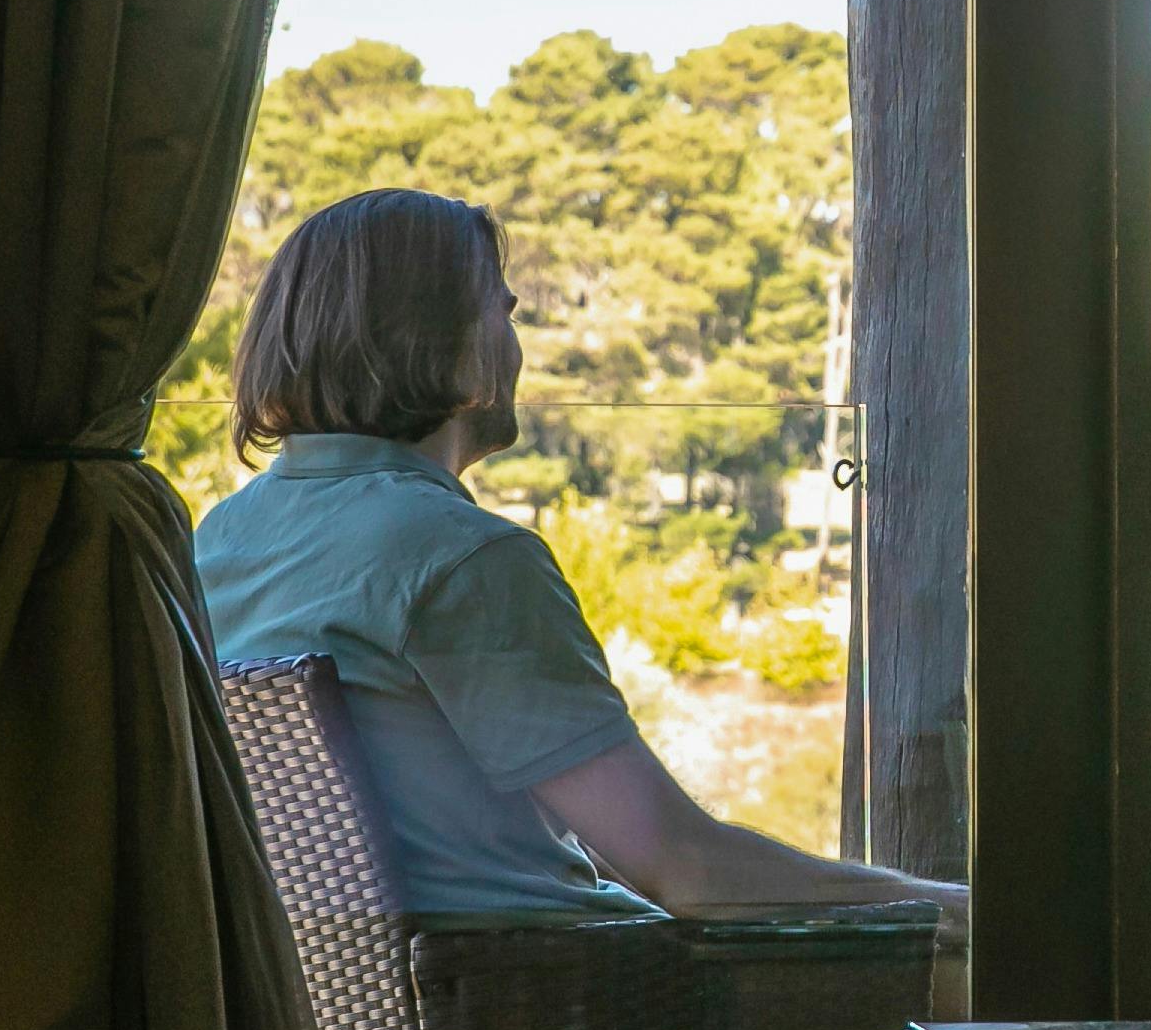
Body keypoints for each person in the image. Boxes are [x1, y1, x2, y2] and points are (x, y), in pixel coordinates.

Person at [194, 188, 959, 929]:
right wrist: (959, 906)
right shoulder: (458, 558)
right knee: (970, 978)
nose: (517, 343)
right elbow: (685, 867)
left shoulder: (220, 543)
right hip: (564, 1019)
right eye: (505, 311)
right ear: (442, 341)